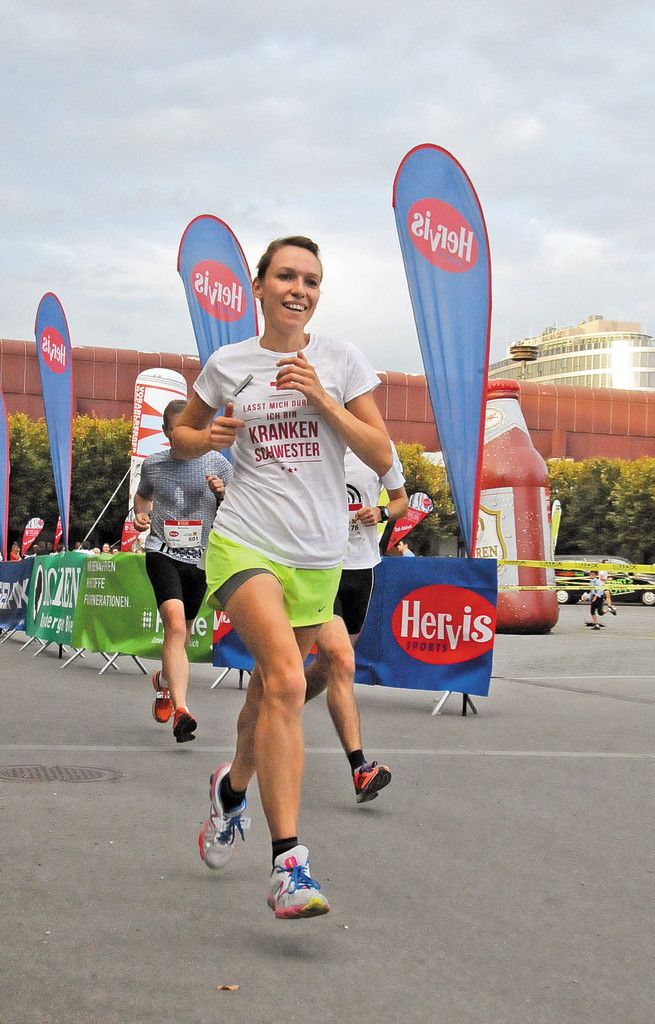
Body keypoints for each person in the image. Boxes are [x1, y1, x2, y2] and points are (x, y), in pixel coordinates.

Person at [172, 235, 391, 920]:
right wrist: (203, 440)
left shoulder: (342, 360)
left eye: (312, 281)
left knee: (270, 692)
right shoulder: (229, 363)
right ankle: (288, 865)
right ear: (259, 285)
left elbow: (382, 454)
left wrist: (323, 399)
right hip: (245, 540)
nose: (300, 289)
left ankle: (232, 789)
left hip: (319, 554)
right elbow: (184, 432)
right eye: (288, 276)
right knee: (291, 682)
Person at [304, 444, 407, 802]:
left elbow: (400, 501)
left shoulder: (378, 446)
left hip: (361, 568)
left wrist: (381, 512)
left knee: (328, 665)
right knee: (343, 660)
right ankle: (360, 768)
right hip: (318, 566)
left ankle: (272, 710)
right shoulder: (316, 440)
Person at [133, 399, 232, 743]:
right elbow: (142, 497)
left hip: (200, 559)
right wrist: (140, 515)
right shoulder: (154, 465)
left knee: (183, 636)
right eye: (178, 431)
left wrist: (222, 495)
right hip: (162, 552)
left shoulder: (218, 463)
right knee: (174, 627)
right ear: (167, 433)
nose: (186, 437)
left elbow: (238, 509)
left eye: (193, 429)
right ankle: (182, 710)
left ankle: (163, 682)